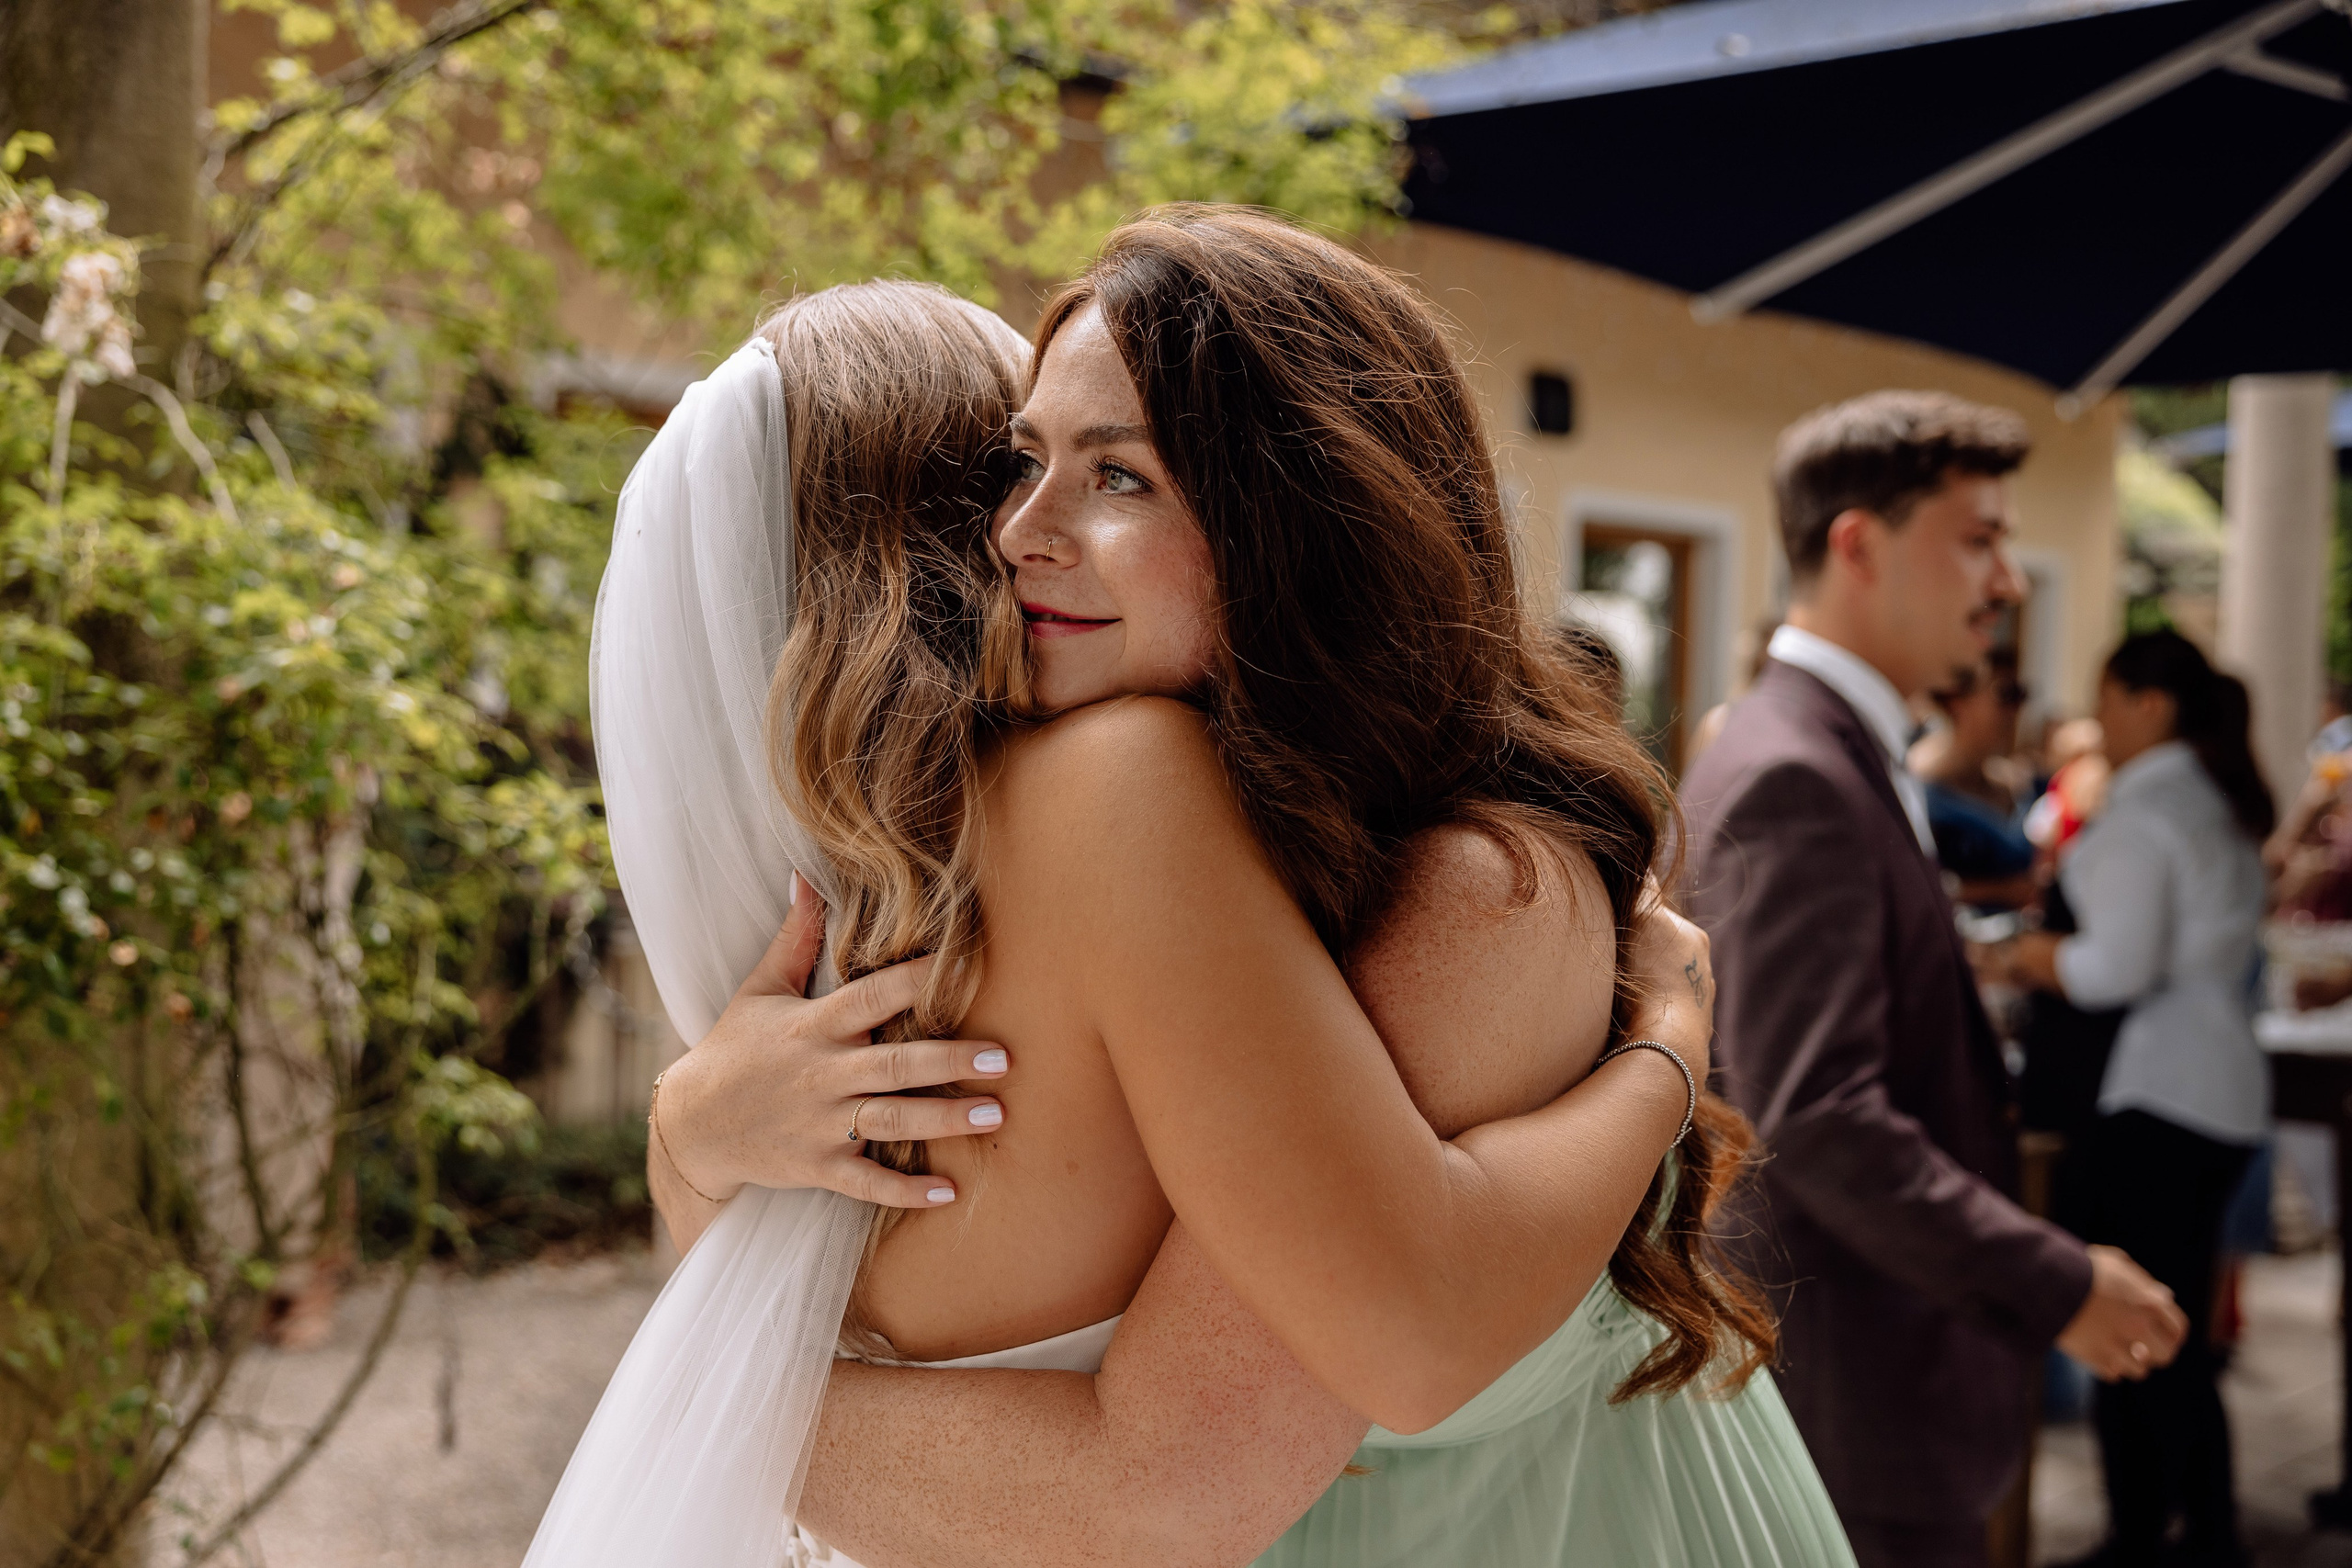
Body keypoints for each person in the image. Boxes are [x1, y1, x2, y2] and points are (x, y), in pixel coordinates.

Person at [537, 240, 1841, 1568]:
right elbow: (796, 1304)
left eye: (1118, 475)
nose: (1015, 532)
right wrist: (689, 1126)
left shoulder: (1471, 882)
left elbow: (1386, 1350)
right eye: (1021, 463)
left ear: (1309, 525)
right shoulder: (1096, 870)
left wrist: (1667, 1042)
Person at [1679, 389, 2188, 1568]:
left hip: (1861, 1397)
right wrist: (2055, 1277)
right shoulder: (1793, 772)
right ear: (1857, 543)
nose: (2006, 581)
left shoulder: (1820, 747)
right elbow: (1816, 1118)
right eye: (1978, 538)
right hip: (1848, 1408)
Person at [1996, 630, 2273, 1568]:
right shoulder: (2210, 800)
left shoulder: (2148, 812)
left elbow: (2114, 968)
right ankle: (2198, 1526)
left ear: (2149, 704)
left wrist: (2019, 956)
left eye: (2105, 697)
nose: (2093, 719)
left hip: (2159, 1095)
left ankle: (2146, 1534)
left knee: (2143, 1334)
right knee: (2176, 1331)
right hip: (2217, 1089)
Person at [1912, 649, 2036, 908]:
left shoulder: (2012, 781)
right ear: (1957, 698)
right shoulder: (1914, 780)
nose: (2015, 710)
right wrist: (2002, 891)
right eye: (2005, 694)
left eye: (2021, 695)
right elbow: (1911, 884)